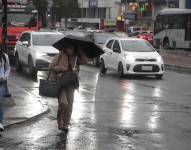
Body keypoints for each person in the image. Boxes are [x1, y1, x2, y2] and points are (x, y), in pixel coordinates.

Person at [49, 44, 88, 132]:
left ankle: (66, 124)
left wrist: (80, 50)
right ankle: (60, 121)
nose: (71, 50)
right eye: (69, 47)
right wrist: (61, 68)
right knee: (64, 103)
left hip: (72, 83)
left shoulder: (76, 57)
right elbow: (51, 66)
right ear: (65, 47)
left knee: (70, 106)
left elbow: (85, 61)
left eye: (73, 48)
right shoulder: (59, 55)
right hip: (61, 83)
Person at [0, 48, 11, 131]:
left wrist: (5, 77)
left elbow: (8, 68)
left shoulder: (4, 56)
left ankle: (0, 123)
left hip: (1, 83)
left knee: (0, 102)